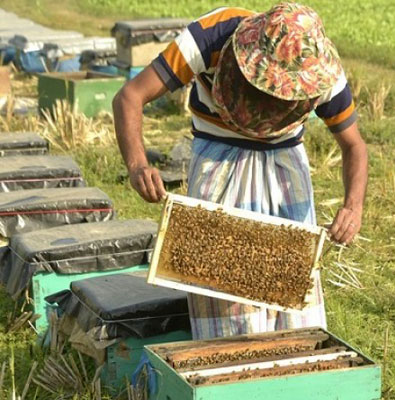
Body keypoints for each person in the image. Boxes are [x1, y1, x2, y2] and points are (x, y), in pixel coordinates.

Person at [113, 3, 368, 339]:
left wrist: (353, 205)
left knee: (291, 294)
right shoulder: (210, 37)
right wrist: (138, 164)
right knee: (223, 295)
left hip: (284, 168)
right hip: (219, 162)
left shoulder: (320, 70)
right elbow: (130, 96)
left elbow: (354, 146)